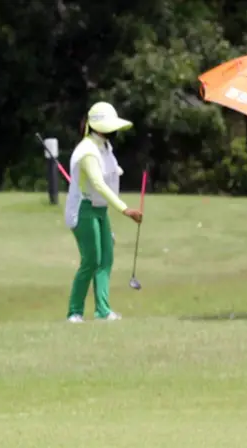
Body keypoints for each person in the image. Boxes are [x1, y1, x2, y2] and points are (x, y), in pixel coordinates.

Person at [63, 101, 144, 322]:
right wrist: (125, 210)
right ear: (97, 127)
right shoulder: (87, 150)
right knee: (91, 259)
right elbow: (98, 184)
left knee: (106, 258)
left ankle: (103, 310)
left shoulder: (106, 148)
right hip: (83, 209)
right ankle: (74, 312)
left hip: (100, 210)